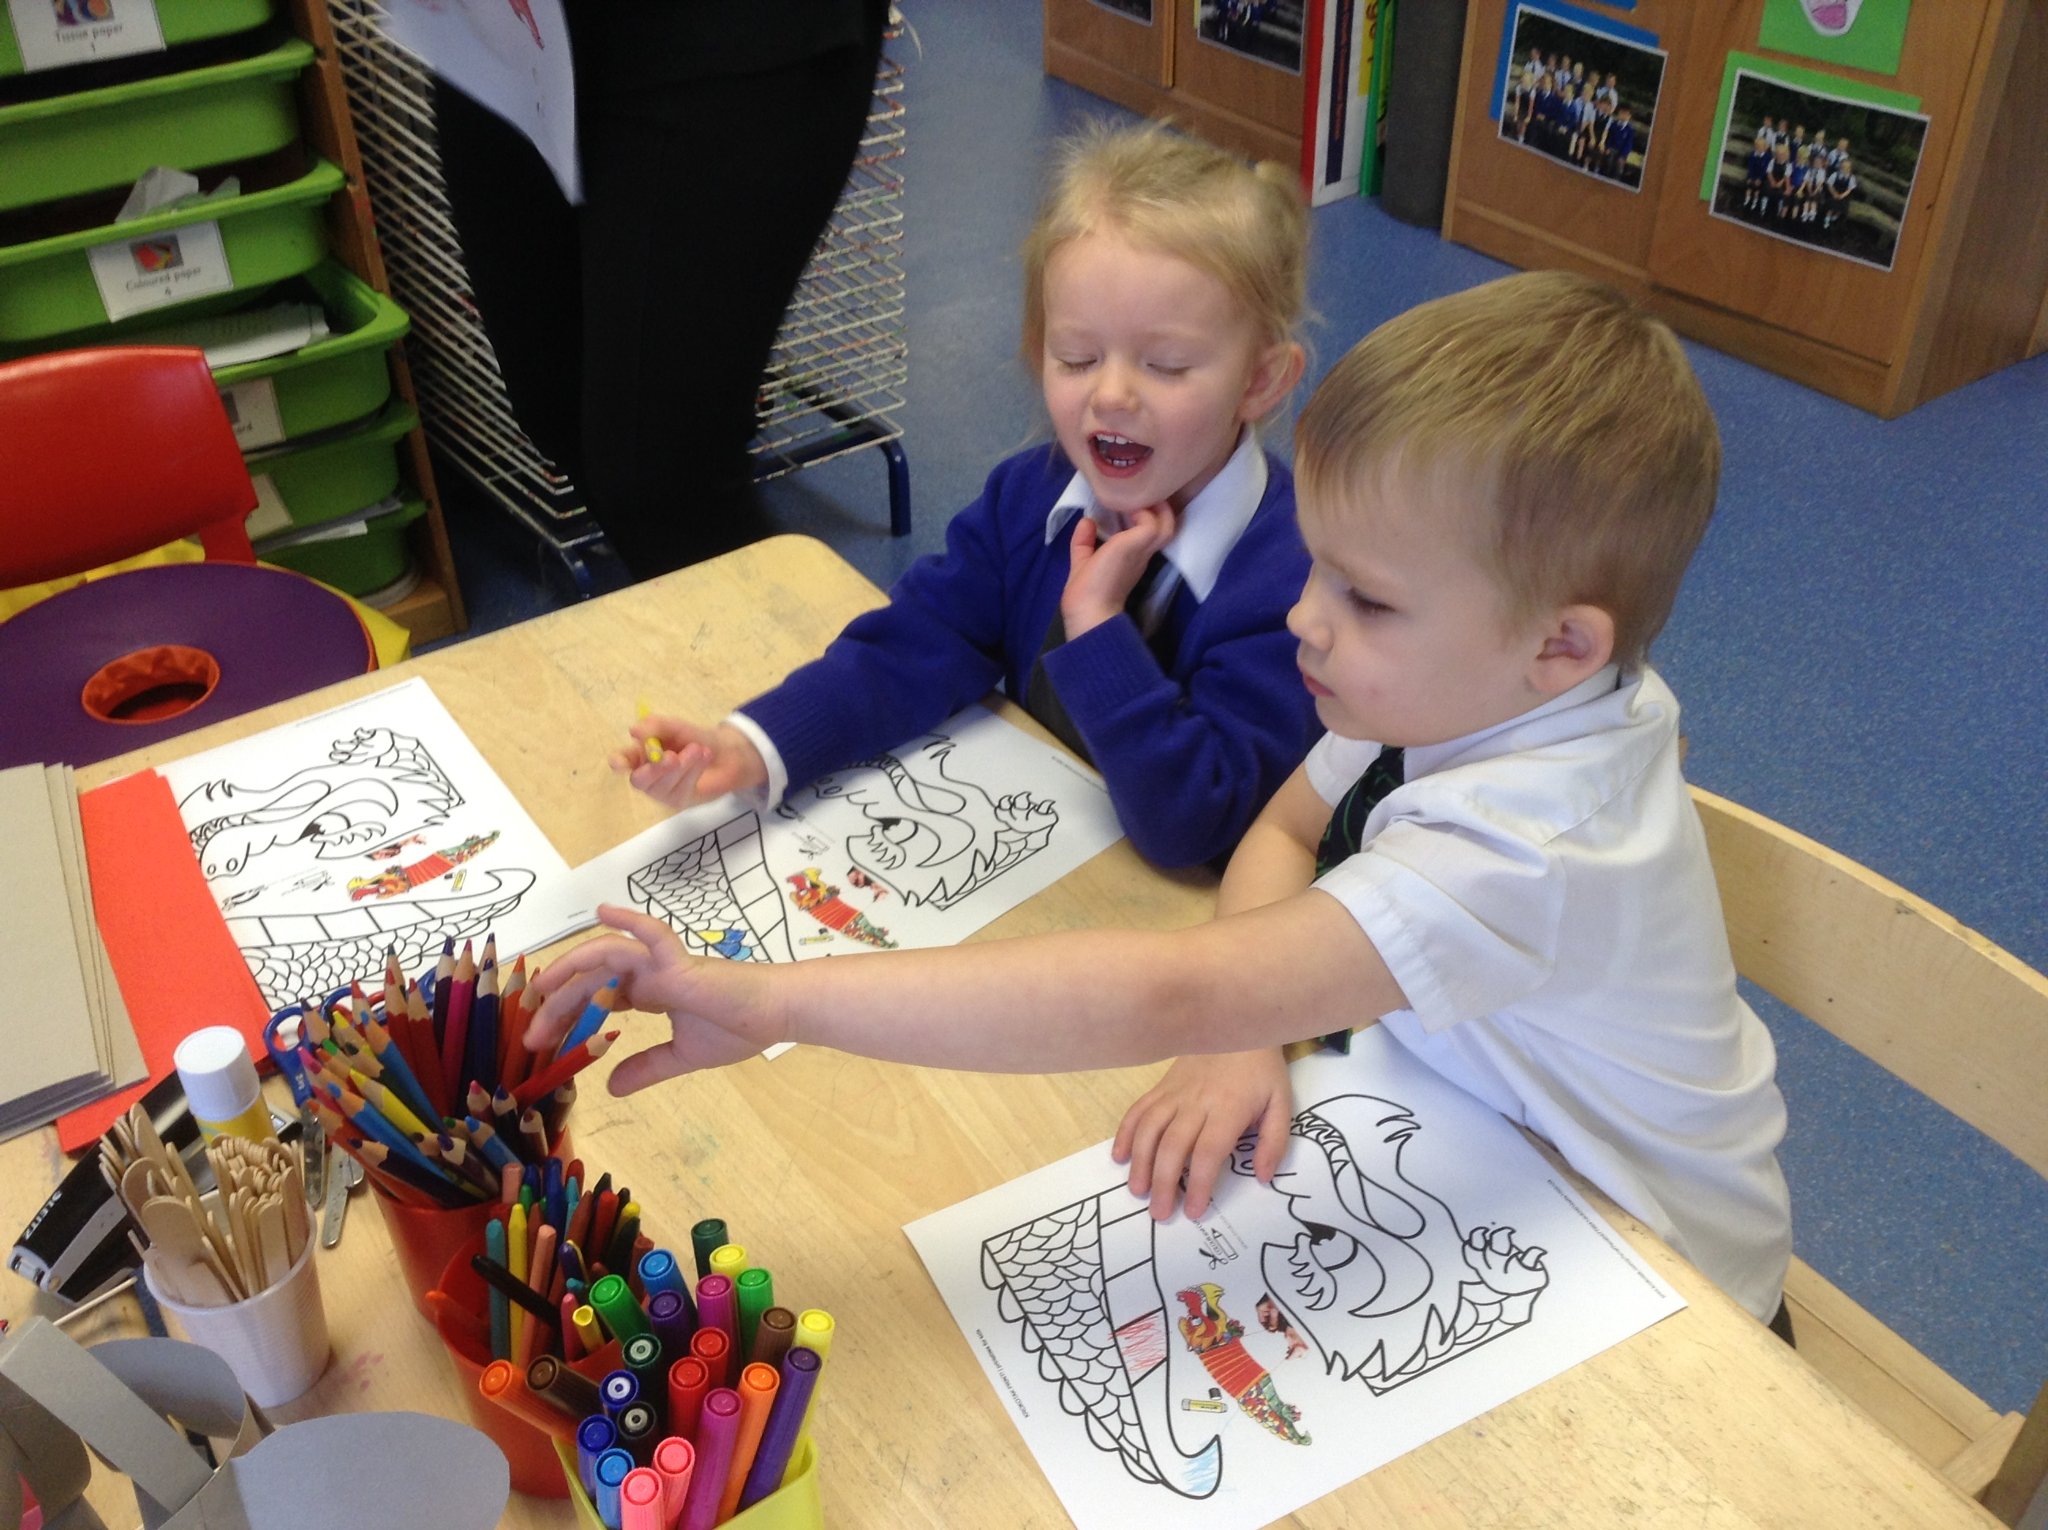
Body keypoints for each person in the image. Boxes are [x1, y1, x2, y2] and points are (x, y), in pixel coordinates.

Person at [525, 272, 1797, 1334]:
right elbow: (1285, 829)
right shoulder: (1485, 688)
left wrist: (770, 1001)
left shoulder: (1527, 839)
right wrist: (1249, 1024)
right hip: (1482, 1146)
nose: (1302, 618)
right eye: (1318, 572)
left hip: (1663, 1281)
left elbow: (1158, 992)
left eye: (1366, 599)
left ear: (1563, 645)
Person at [616, 121, 1317, 870]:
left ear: (1261, 380)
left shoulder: (1295, 583)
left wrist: (1098, 628)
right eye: (1076, 357)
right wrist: (753, 746)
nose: (1111, 395)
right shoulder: (1029, 497)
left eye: (1167, 366)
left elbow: (1198, 828)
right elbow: (916, 646)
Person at [430, 3, 890, 577]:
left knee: (660, 478)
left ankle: (823, 666)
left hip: (721, 27)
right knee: (556, 397)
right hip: (501, 23)